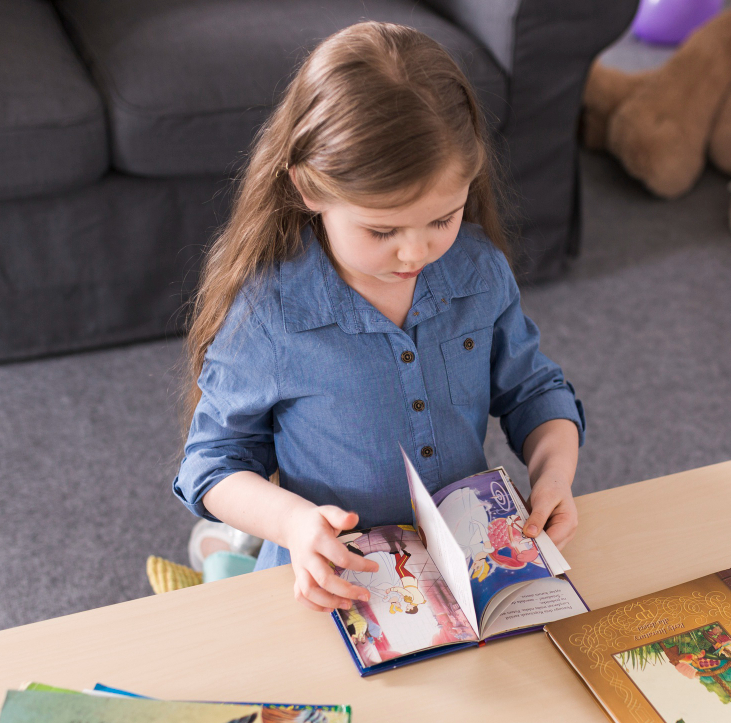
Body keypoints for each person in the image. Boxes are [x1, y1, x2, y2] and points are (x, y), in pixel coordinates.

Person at [173, 22, 585, 613]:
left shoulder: (478, 272)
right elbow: (211, 464)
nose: (415, 253)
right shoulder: (270, 314)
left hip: (458, 565)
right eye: (382, 230)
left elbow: (536, 391)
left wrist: (553, 475)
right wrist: (292, 523)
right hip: (330, 576)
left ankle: (225, 554)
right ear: (309, 190)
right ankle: (225, 557)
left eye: (442, 219)